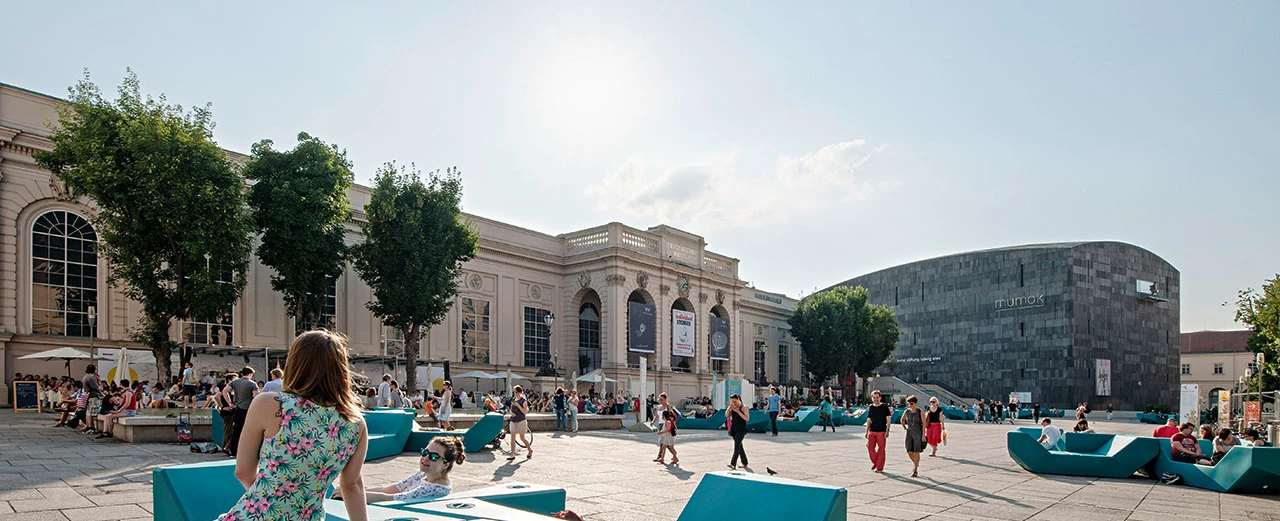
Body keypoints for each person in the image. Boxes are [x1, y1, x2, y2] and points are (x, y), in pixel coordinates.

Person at [218, 330, 368, 521]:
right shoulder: (355, 422)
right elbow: (351, 485)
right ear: (341, 369)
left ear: (295, 363)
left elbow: (243, 471)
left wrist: (276, 501)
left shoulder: (272, 404)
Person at [341, 436, 465, 504]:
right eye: (425, 452)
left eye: (434, 456)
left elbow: (392, 498)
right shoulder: (423, 474)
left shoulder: (436, 489)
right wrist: (353, 489)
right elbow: (391, 489)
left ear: (446, 465)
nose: (425, 458)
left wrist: (351, 493)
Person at [219, 366, 258, 457]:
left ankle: (233, 450)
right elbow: (256, 396)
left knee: (236, 430)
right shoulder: (252, 384)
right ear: (250, 374)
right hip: (247, 409)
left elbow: (224, 391)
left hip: (237, 408)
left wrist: (230, 403)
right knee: (248, 430)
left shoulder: (234, 382)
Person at [900, 395, 927, 478]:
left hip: (918, 432)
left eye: (911, 403)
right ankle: (916, 464)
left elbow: (924, 424)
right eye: (908, 404)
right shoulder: (907, 411)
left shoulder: (920, 411)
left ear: (915, 403)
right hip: (910, 433)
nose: (910, 405)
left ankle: (915, 469)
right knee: (909, 451)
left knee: (916, 451)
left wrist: (923, 435)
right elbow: (902, 419)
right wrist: (904, 427)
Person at [866, 390, 891, 473]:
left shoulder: (884, 407)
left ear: (880, 398)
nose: (876, 399)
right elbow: (869, 419)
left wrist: (887, 430)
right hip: (872, 430)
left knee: (881, 449)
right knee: (870, 447)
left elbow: (888, 419)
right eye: (874, 397)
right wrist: (866, 431)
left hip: (881, 431)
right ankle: (875, 462)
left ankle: (879, 467)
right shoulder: (871, 407)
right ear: (872, 398)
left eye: (877, 397)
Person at [507, 385, 532, 460]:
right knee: (512, 437)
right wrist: (511, 413)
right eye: (514, 392)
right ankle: (512, 454)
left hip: (521, 420)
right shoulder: (513, 399)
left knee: (522, 437)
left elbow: (524, 412)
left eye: (516, 392)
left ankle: (529, 450)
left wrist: (518, 405)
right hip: (513, 420)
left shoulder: (523, 401)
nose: (515, 393)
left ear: (520, 392)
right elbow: (510, 409)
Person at [726, 393, 749, 470]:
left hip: (741, 429)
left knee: (736, 446)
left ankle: (733, 463)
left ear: (739, 399)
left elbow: (746, 418)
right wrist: (729, 409)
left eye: (735, 401)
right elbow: (726, 415)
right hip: (734, 429)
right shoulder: (732, 407)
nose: (733, 403)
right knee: (740, 447)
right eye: (732, 401)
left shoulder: (744, 407)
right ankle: (745, 462)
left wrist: (738, 411)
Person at [81, 365, 103, 435]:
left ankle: (89, 426)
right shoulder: (91, 378)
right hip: (93, 396)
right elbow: (99, 388)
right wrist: (99, 380)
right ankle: (91, 427)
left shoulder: (85, 377)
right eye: (96, 369)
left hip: (88, 396)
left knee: (88, 412)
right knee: (91, 413)